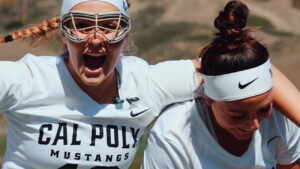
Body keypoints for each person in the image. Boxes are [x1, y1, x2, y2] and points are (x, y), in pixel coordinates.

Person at [0, 0, 299, 169]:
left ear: (126, 36)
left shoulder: (146, 84)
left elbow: (247, 70)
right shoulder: (26, 80)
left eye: (109, 26)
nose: (95, 38)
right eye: (80, 25)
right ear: (64, 34)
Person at [141, 1, 300, 169]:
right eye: (237, 115)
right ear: (208, 98)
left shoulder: (280, 117)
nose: (254, 125)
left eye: (263, 109)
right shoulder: (172, 137)